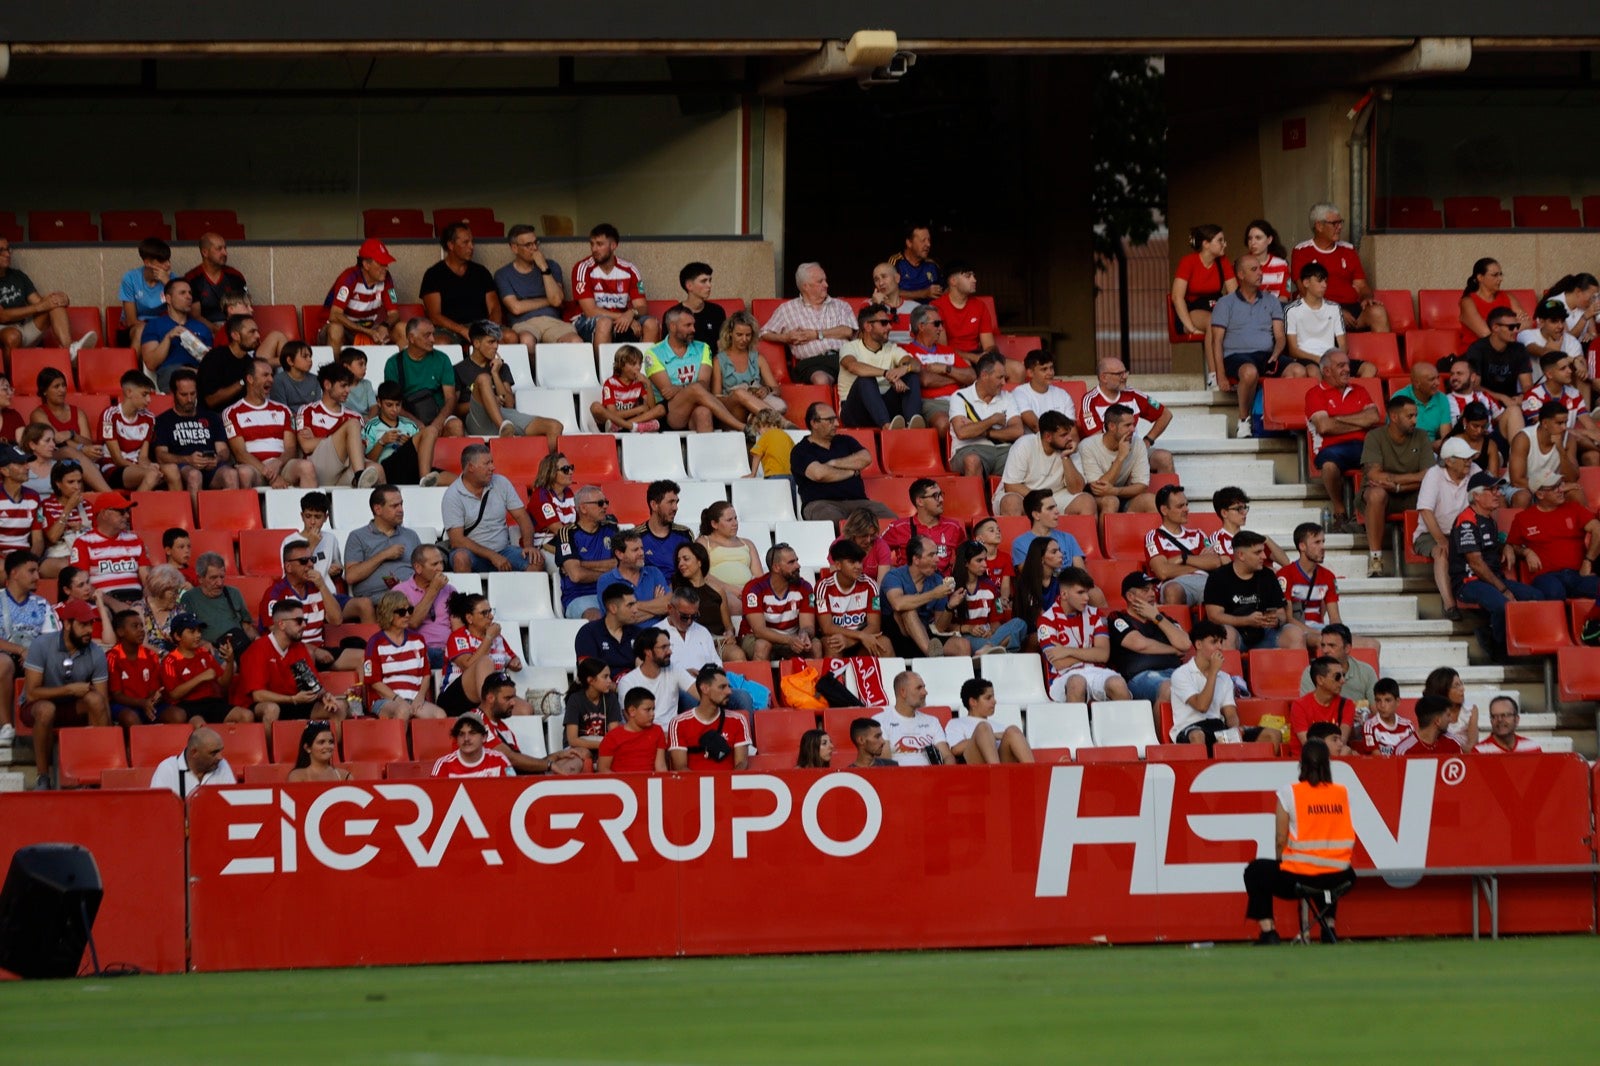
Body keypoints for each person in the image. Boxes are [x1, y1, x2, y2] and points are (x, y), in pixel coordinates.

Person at [1242, 737, 1356, 945]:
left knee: (1255, 871)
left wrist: (1281, 861)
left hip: (1302, 875)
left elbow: (1280, 838)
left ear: (1301, 764)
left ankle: (1268, 932)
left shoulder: (1290, 793)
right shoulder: (1341, 793)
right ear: (1327, 764)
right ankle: (1328, 927)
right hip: (1341, 874)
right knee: (1325, 870)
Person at [1451, 471, 1549, 656]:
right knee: (1502, 604)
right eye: (1492, 489)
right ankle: (1497, 648)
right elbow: (1476, 564)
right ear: (1477, 496)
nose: (1499, 493)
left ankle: (1524, 642)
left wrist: (1506, 547)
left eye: (1498, 489)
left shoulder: (1489, 519)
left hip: (1492, 579)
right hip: (1468, 582)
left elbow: (1492, 545)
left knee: (1538, 596)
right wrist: (1503, 589)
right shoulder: (1466, 521)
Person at [21, 598, 110, 789]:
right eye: (83, 624)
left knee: (95, 700)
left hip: (73, 707)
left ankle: (99, 770)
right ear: (67, 624)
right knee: (46, 709)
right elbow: (32, 694)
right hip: (37, 706)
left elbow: (102, 700)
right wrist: (70, 689)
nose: (89, 630)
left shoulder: (96, 652)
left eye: (91, 624)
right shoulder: (41, 645)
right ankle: (42, 777)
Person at [232, 598, 346, 727]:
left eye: (305, 621)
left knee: (338, 707)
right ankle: (268, 747)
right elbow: (258, 696)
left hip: (293, 701)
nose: (304, 625)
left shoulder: (299, 648)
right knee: (272, 709)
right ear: (281, 624)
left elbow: (313, 686)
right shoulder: (257, 649)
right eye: (299, 621)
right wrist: (292, 699)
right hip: (259, 705)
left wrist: (325, 696)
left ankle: (333, 746)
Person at [1210, 255, 1288, 438]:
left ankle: (1280, 421)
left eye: (1260, 269)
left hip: (1267, 355)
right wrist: (1220, 375)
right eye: (1254, 270)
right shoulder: (1225, 303)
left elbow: (1280, 337)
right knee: (1249, 372)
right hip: (1236, 356)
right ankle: (1244, 421)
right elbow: (1216, 341)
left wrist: (1276, 354)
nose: (1260, 273)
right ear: (1241, 275)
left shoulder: (1272, 300)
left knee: (1298, 371)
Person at [1305, 350, 1381, 531]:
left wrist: (1338, 419)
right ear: (1326, 371)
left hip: (1363, 446)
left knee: (1376, 462)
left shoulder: (1360, 390)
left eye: (1347, 365)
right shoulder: (1315, 393)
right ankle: (1340, 511)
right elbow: (1324, 427)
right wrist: (1358, 421)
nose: (1347, 369)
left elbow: (1373, 417)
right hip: (1330, 447)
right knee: (1329, 466)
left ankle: (1361, 513)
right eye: (1341, 366)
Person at [259, 539, 362, 671]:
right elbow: (276, 632)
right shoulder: (275, 593)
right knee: (308, 654)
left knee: (363, 658)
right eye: (303, 561)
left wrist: (322, 586)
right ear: (288, 567)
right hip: (288, 653)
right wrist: (311, 649)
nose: (310, 564)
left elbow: (336, 620)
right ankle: (313, 692)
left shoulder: (317, 587)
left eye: (312, 559)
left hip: (320, 650)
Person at [1358, 394, 1432, 577]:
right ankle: (1375, 560)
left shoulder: (1422, 436)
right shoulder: (1375, 436)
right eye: (1410, 416)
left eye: (1415, 415)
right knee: (1376, 494)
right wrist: (1414, 478)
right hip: (1383, 495)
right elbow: (1374, 475)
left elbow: (1429, 476)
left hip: (1412, 494)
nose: (1415, 420)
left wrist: (1396, 484)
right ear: (1394, 416)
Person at [456, 321, 561, 445]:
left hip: (505, 414)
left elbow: (509, 404)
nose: (495, 346)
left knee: (554, 426)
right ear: (477, 343)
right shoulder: (458, 369)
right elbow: (455, 410)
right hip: (478, 418)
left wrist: (495, 373)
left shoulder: (502, 367)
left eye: (497, 342)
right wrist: (488, 400)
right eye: (491, 342)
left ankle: (549, 464)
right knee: (483, 379)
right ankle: (503, 428)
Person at [1288, 203, 1389, 333]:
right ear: (1319, 226)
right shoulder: (1301, 251)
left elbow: (1361, 285)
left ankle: (1383, 353)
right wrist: (1335, 311)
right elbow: (1304, 291)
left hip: (1352, 308)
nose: (1340, 227)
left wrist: (1366, 298)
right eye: (1334, 223)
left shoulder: (1348, 249)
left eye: (1340, 222)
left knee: (1378, 312)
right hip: (1319, 309)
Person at [643, 307, 747, 432]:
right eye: (688, 325)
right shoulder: (653, 353)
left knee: (703, 413)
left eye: (693, 325)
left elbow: (704, 384)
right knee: (695, 388)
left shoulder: (703, 348)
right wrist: (689, 388)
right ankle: (742, 428)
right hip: (670, 414)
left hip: (698, 407)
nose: (693, 329)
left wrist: (681, 388)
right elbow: (668, 393)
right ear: (672, 326)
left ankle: (709, 451)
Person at [789, 403, 896, 522]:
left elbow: (866, 458)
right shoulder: (800, 450)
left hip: (858, 503)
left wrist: (833, 463)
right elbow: (819, 474)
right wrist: (852, 472)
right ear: (814, 423)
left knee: (890, 520)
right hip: (821, 504)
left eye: (835, 419)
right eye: (830, 420)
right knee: (835, 522)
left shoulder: (846, 441)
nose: (836, 424)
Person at [1204, 530, 1307, 652]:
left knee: (1295, 634)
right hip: (1235, 633)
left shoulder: (1267, 575)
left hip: (1265, 632)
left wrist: (1276, 620)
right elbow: (1214, 616)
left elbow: (1281, 613)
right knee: (1226, 634)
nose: (1264, 556)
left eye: (1263, 551)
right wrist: (1246, 620)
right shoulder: (1218, 577)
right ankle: (1231, 671)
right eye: (1258, 552)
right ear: (1241, 555)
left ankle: (1298, 671)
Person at [443, 443, 537, 575]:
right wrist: (492, 556)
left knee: (536, 560)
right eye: (487, 463)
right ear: (470, 467)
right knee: (460, 558)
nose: (493, 467)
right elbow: (457, 540)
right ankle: (467, 596)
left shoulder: (501, 482)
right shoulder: (452, 495)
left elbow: (522, 516)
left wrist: (529, 546)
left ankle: (523, 595)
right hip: (472, 554)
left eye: (492, 462)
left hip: (503, 550)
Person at [223, 357, 315, 489]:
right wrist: (270, 474)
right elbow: (240, 453)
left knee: (306, 467)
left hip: (281, 466)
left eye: (272, 375)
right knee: (244, 473)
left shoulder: (283, 410)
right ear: (250, 379)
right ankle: (248, 510)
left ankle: (312, 509)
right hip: (254, 468)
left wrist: (277, 463)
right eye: (265, 375)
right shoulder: (231, 412)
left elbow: (290, 449)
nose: (271, 380)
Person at [759, 262, 857, 385]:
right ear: (806, 286)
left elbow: (848, 331)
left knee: (864, 375)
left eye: (825, 280)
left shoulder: (840, 305)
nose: (826, 285)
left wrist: (816, 334)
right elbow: (764, 333)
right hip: (812, 363)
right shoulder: (787, 309)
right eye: (820, 281)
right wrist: (785, 338)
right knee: (820, 380)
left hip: (844, 358)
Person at [467, 671, 582, 775]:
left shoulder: (502, 727)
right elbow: (510, 759)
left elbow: (520, 765)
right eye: (508, 698)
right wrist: (549, 764)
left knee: (576, 758)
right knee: (568, 768)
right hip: (492, 786)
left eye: (514, 697)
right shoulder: (475, 721)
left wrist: (557, 755)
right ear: (490, 698)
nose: (513, 703)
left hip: (514, 779)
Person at [1037, 566, 1126, 702]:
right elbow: (1060, 663)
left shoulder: (1096, 614)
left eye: (1087, 592)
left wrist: (1067, 651)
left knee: (1118, 684)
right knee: (1077, 683)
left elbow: (1103, 655)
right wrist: (1091, 654)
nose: (1086, 597)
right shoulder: (1046, 620)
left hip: (1096, 672)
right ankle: (1075, 724)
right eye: (1080, 592)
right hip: (1064, 676)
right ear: (1064, 594)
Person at [1507, 472, 1600, 600]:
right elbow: (1512, 545)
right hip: (1546, 576)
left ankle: (1590, 620)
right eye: (1554, 487)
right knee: (1554, 593)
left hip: (1578, 574)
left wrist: (1588, 561)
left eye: (1560, 485)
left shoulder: (1574, 508)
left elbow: (1597, 529)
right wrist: (1526, 552)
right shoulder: (1522, 518)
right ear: (1540, 494)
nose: (1561, 490)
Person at [1168, 619, 1255, 752]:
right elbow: (1201, 706)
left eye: (1221, 642)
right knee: (1198, 735)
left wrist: (1234, 732)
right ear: (1198, 644)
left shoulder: (1225, 678)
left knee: (1271, 734)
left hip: (1216, 726)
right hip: (1189, 728)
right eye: (1214, 642)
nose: (1219, 647)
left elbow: (1230, 714)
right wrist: (1213, 672)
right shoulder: (1181, 674)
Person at [0, 237, 96, 357]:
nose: (7, 254)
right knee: (12, 336)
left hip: (22, 329)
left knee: (54, 302)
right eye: (1, 250)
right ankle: (7, 375)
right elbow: (2, 316)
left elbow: (40, 303)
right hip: (3, 331)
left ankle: (70, 350)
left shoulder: (18, 276)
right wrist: (40, 306)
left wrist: (63, 299)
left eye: (8, 249)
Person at [438, 591, 527, 717]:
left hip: (493, 694)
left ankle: (496, 721)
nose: (490, 616)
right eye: (484, 613)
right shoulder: (458, 637)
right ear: (469, 618)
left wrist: (515, 662)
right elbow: (467, 666)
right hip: (455, 699)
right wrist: (488, 638)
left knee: (525, 710)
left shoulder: (498, 638)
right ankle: (488, 712)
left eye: (490, 611)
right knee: (485, 662)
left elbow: (512, 658)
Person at [1079, 357, 1175, 473]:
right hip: (1106, 456)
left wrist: (1147, 441)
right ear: (1104, 377)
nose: (1125, 377)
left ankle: (1170, 491)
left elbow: (1165, 414)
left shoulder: (1133, 394)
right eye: (1119, 374)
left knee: (1164, 458)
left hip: (1134, 451)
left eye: (1125, 372)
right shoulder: (1089, 400)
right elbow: (1096, 438)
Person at [0, 550, 57, 744]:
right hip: (6, 657)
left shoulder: (42, 604)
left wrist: (33, 654)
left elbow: (53, 639)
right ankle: (6, 726)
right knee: (3, 663)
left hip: (35, 659)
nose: (37, 577)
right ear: (14, 573)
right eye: (31, 571)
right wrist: (20, 650)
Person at [154, 368, 238, 500]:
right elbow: (160, 455)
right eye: (183, 394)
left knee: (231, 475)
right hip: (183, 467)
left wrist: (218, 458)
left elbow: (223, 450)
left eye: (193, 394)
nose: (189, 399)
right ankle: (196, 520)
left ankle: (233, 519)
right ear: (173, 393)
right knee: (194, 475)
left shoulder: (212, 417)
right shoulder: (163, 420)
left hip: (211, 466)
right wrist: (188, 459)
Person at [295, 363, 382, 489]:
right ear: (327, 385)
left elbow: (360, 451)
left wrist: (318, 439)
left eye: (348, 386)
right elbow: (306, 446)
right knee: (352, 425)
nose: (348, 390)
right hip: (319, 471)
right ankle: (359, 476)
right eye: (343, 386)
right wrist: (343, 439)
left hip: (346, 470)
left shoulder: (355, 416)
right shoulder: (308, 410)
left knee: (377, 469)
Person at [1109, 571, 1190, 705]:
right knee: (1169, 688)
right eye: (1145, 590)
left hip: (1175, 672)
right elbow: (1139, 644)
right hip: (1140, 677)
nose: (1152, 594)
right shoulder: (1117, 617)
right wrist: (1173, 650)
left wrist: (1157, 618)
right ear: (1130, 596)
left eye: (1153, 589)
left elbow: (1185, 644)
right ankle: (1161, 727)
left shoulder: (1163, 618)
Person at [570, 222, 658, 347]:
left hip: (621, 320)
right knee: (605, 323)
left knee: (651, 324)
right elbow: (590, 311)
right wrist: (624, 316)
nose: (594, 249)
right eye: (592, 244)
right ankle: (601, 367)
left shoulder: (630, 269)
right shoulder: (583, 268)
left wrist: (631, 313)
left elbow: (642, 307)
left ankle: (646, 366)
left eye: (599, 244)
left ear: (613, 245)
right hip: (587, 321)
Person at [361, 590, 444, 721]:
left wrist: (420, 697)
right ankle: (397, 742)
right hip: (385, 700)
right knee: (402, 710)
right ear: (388, 613)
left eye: (410, 610)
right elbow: (375, 682)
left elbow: (426, 674)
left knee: (440, 716)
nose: (407, 615)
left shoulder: (418, 639)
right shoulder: (375, 642)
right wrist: (398, 699)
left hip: (415, 698)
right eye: (401, 612)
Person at [837, 304, 923, 430]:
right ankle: (887, 427)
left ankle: (912, 424)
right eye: (884, 323)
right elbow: (853, 366)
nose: (889, 327)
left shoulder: (891, 348)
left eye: (889, 322)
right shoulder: (850, 347)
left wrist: (904, 369)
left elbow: (916, 364)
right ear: (868, 326)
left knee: (911, 375)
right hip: (855, 411)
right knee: (865, 380)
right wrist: (887, 373)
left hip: (884, 406)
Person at [880, 535, 967, 659]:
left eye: (937, 554)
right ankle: (930, 654)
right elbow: (898, 604)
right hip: (898, 636)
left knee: (962, 645)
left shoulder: (937, 580)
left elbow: (939, 627)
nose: (937, 559)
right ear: (916, 559)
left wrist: (949, 607)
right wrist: (933, 594)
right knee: (908, 610)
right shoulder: (894, 576)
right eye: (932, 555)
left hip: (926, 633)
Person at [496, 225, 582, 349]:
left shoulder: (551, 266)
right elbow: (516, 308)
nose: (534, 248)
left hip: (552, 322)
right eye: (528, 245)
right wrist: (549, 301)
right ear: (514, 248)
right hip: (523, 323)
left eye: (536, 243)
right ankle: (533, 369)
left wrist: (543, 267)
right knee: (526, 341)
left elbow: (557, 300)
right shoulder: (503, 274)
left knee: (576, 342)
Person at [996, 410, 1091, 518]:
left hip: (1055, 495)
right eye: (1063, 435)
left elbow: (1077, 489)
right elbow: (1011, 486)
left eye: (1069, 433)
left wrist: (1066, 457)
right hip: (1024, 495)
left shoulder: (1070, 448)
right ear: (1048, 437)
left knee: (1087, 502)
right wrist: (1041, 499)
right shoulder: (1024, 445)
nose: (1070, 438)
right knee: (1011, 502)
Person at [419, 223, 501, 346]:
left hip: (481, 327)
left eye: (472, 242)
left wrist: (491, 330)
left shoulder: (481, 272)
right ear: (451, 245)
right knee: (441, 343)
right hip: (449, 329)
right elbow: (434, 316)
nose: (471, 247)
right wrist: (463, 330)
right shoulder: (433, 274)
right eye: (465, 242)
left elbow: (495, 307)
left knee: (510, 337)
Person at [1140, 484, 1222, 606]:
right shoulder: (1154, 536)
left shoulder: (1198, 534)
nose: (1186, 509)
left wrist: (1183, 558)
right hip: (1176, 583)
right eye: (1180, 506)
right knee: (1172, 591)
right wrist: (1200, 564)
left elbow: (1215, 562)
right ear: (1164, 510)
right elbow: (1163, 572)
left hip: (1206, 581)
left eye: (1186, 505)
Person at [946, 351, 1022, 477]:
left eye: (1005, 377)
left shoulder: (1008, 397)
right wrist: (992, 420)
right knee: (972, 460)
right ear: (984, 375)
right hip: (969, 450)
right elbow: (963, 433)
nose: (1004, 382)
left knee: (1027, 459)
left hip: (1003, 450)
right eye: (1000, 377)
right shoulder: (960, 396)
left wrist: (984, 431)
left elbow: (1017, 431)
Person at [30, 369, 109, 489]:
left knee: (84, 454)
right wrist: (81, 448)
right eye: (56, 386)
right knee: (68, 451)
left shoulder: (78, 412)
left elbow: (88, 442)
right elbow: (56, 439)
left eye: (63, 385)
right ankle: (109, 494)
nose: (62, 390)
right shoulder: (38, 414)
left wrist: (72, 434)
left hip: (77, 458)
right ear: (44, 391)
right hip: (50, 454)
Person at [343, 485, 423, 603]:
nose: (401, 510)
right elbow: (351, 576)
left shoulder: (411, 535)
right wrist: (384, 555)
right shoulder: (357, 536)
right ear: (378, 509)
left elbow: (423, 569)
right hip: (376, 598)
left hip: (411, 595)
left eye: (401, 504)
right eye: (394, 506)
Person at [813, 538, 891, 657]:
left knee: (884, 643)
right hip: (839, 637)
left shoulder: (870, 585)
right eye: (852, 562)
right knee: (833, 644)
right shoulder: (823, 586)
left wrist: (851, 641)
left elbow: (874, 625)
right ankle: (834, 676)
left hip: (862, 639)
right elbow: (827, 627)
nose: (858, 566)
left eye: (859, 562)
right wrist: (859, 636)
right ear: (838, 565)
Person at [740, 543, 816, 661]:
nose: (798, 565)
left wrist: (804, 634)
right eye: (791, 562)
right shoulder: (754, 589)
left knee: (815, 646)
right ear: (776, 567)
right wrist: (789, 640)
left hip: (792, 637)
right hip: (756, 638)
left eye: (796, 560)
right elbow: (759, 631)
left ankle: (812, 680)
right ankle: (759, 680)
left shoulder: (805, 587)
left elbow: (808, 625)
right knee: (763, 646)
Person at [1074, 402, 1155, 514]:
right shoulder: (1087, 446)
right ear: (1111, 426)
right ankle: (1104, 532)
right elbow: (1098, 489)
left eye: (1133, 424)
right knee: (1111, 501)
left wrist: (1115, 491)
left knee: (1151, 500)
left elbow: (1142, 485)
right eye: (1127, 425)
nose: (1133, 429)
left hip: (1122, 495)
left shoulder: (1138, 443)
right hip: (1093, 499)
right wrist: (1120, 458)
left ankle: (1154, 532)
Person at [70, 491, 149, 605]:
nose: (127, 515)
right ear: (104, 513)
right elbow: (82, 586)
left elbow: (147, 580)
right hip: (103, 603)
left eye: (127, 511)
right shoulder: (83, 543)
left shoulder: (135, 540)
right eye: (121, 512)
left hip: (136, 600)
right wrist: (116, 605)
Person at [320, 238, 401, 348]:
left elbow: (394, 313)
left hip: (369, 329)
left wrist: (385, 325)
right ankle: (336, 366)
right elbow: (334, 315)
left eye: (386, 263)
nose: (385, 268)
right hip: (343, 329)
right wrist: (366, 331)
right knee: (336, 330)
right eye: (381, 263)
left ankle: (403, 365)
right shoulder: (349, 277)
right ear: (366, 265)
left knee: (403, 329)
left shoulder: (387, 278)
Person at [667, 665, 750, 772]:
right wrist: (705, 787)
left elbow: (741, 763)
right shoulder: (678, 723)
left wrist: (724, 785)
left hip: (727, 785)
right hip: (693, 786)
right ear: (704, 688)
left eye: (728, 686)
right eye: (722, 687)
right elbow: (680, 768)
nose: (729, 691)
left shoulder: (738, 720)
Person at [949, 540, 1026, 655]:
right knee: (1007, 642)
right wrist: (969, 628)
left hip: (988, 637)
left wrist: (992, 631)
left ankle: (989, 648)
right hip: (964, 638)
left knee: (1020, 624)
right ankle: (999, 650)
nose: (985, 564)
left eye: (985, 559)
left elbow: (996, 622)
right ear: (965, 562)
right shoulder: (951, 587)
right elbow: (943, 627)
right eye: (979, 560)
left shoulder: (991, 587)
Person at [904, 304, 972, 434]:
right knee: (943, 423)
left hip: (960, 401)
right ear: (921, 326)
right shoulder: (907, 351)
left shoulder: (948, 350)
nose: (941, 328)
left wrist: (946, 369)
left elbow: (972, 376)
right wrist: (958, 378)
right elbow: (926, 380)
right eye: (937, 324)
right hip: (932, 403)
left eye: (941, 324)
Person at [1172, 224, 1236, 363]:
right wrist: (1191, 328)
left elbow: (1234, 294)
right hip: (1192, 311)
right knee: (1213, 321)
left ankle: (1230, 372)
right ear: (1206, 244)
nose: (1224, 244)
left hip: (1216, 307)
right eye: (1220, 240)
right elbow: (1177, 297)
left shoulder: (1222, 261)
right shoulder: (1188, 262)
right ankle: (1214, 377)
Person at [554, 485, 618, 620]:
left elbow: (619, 564)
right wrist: (611, 573)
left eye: (606, 502)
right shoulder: (567, 533)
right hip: (579, 597)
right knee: (597, 618)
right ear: (583, 508)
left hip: (611, 594)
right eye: (600, 503)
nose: (605, 506)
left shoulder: (611, 529)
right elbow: (576, 575)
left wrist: (582, 564)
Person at [362, 381, 445, 486]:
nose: (394, 409)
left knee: (455, 479)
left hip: (413, 469)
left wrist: (409, 444)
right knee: (431, 430)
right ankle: (425, 480)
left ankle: (425, 479)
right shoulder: (371, 426)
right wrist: (382, 442)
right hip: (388, 471)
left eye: (398, 405)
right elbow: (368, 460)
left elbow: (424, 456)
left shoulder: (410, 425)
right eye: (389, 405)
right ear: (379, 402)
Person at [138, 278, 215, 389]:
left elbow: (210, 364)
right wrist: (168, 337)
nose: (189, 297)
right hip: (172, 374)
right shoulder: (154, 325)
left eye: (190, 293)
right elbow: (151, 363)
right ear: (168, 299)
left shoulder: (202, 327)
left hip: (199, 374)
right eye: (182, 293)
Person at [713, 310, 787, 424]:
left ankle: (755, 418)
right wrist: (737, 396)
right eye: (739, 335)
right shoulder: (719, 360)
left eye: (748, 335)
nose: (744, 339)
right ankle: (780, 422)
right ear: (730, 333)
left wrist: (766, 390)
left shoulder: (757, 358)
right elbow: (716, 397)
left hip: (756, 404)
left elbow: (776, 389)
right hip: (732, 410)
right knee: (740, 394)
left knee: (780, 405)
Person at [881, 477, 966, 574]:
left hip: (942, 585)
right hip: (909, 586)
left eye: (941, 494)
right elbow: (875, 552)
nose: (941, 499)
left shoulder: (953, 527)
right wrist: (894, 574)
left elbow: (967, 555)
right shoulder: (898, 527)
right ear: (920, 501)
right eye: (935, 495)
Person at [1464, 306, 1533, 423]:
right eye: (1511, 327)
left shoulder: (1519, 349)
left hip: (1513, 402)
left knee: (1538, 411)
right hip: (1484, 402)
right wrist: (1502, 397)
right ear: (1495, 328)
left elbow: (1527, 385)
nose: (1516, 330)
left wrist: (1522, 397)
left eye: (1517, 326)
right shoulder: (1477, 349)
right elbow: (1475, 386)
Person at [1277, 523, 1349, 634]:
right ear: (1302, 546)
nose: (1322, 547)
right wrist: (1319, 635)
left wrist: (1339, 636)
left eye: (1323, 542)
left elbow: (1335, 618)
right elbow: (1288, 619)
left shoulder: (1328, 576)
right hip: (1295, 633)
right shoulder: (1285, 575)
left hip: (1319, 631)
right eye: (1317, 542)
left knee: (1372, 644)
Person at [178, 552, 257, 652]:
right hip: (212, 651)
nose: (219, 583)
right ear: (200, 579)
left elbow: (247, 625)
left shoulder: (234, 593)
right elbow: (186, 633)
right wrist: (203, 643)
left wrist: (256, 640)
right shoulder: (189, 598)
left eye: (222, 577)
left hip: (238, 646)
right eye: (213, 578)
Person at [872, 671, 953, 766]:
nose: (925, 692)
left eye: (924, 687)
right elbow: (885, 763)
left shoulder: (932, 721)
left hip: (932, 777)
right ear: (903, 692)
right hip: (898, 777)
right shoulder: (880, 721)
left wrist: (946, 776)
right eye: (919, 688)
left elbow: (947, 756)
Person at [1282, 262, 1346, 379]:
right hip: (1307, 358)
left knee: (1369, 368)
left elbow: (1343, 345)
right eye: (1319, 281)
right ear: (1306, 283)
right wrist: (1318, 358)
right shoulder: (1291, 310)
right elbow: (1293, 350)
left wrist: (1338, 360)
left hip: (1331, 358)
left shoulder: (1334, 308)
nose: (1324, 285)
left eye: (1325, 281)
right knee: (1313, 371)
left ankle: (1352, 397)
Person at [946, 678, 1032, 764]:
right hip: (974, 769)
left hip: (1002, 764)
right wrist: (992, 736)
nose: (994, 701)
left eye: (993, 697)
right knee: (983, 728)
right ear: (973, 702)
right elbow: (955, 750)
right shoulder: (956, 723)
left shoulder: (1000, 727)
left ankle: (1035, 773)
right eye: (988, 698)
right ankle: (996, 773)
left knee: (1013, 730)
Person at [1507, 401, 1576, 510]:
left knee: (1576, 493)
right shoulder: (1524, 438)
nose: (1564, 428)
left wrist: (1561, 450)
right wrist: (1549, 490)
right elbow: (1517, 480)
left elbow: (1572, 478)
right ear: (1544, 423)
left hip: (1553, 488)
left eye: (1565, 422)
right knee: (1523, 497)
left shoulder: (1568, 438)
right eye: (1559, 423)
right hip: (1523, 487)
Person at [930, 262, 1000, 369]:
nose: (974, 280)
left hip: (978, 357)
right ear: (953, 281)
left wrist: (985, 355)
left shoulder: (980, 306)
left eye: (973, 276)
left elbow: (989, 345)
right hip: (950, 357)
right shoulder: (937, 307)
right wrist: (972, 357)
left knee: (1017, 369)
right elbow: (942, 349)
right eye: (968, 276)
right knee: (965, 365)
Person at [393, 544, 451, 668]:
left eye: (441, 563)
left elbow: (458, 626)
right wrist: (433, 590)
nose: (440, 568)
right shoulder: (400, 592)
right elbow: (412, 623)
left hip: (448, 651)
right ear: (418, 568)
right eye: (434, 564)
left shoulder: (449, 590)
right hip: (417, 652)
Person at [106, 609, 166, 728]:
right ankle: (137, 746)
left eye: (141, 626)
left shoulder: (151, 655)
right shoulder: (112, 657)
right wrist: (142, 703)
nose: (141, 630)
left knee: (177, 715)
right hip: (123, 706)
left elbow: (154, 689)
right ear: (120, 632)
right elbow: (117, 695)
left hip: (148, 703)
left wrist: (152, 700)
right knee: (130, 717)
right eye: (135, 626)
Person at [1459, 258, 1530, 356]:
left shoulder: (1508, 296)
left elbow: (1527, 323)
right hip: (1477, 354)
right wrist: (1515, 324)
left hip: (1507, 352)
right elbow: (1485, 334)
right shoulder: (1468, 301)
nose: (1500, 279)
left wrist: (1501, 328)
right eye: (1495, 275)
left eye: (1500, 274)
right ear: (1480, 277)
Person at [695, 502, 763, 604]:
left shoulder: (748, 543)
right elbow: (702, 574)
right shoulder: (704, 542)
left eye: (735, 518)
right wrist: (731, 589)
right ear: (714, 524)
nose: (735, 523)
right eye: (729, 520)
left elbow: (759, 577)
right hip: (719, 592)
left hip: (748, 593)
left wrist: (749, 591)